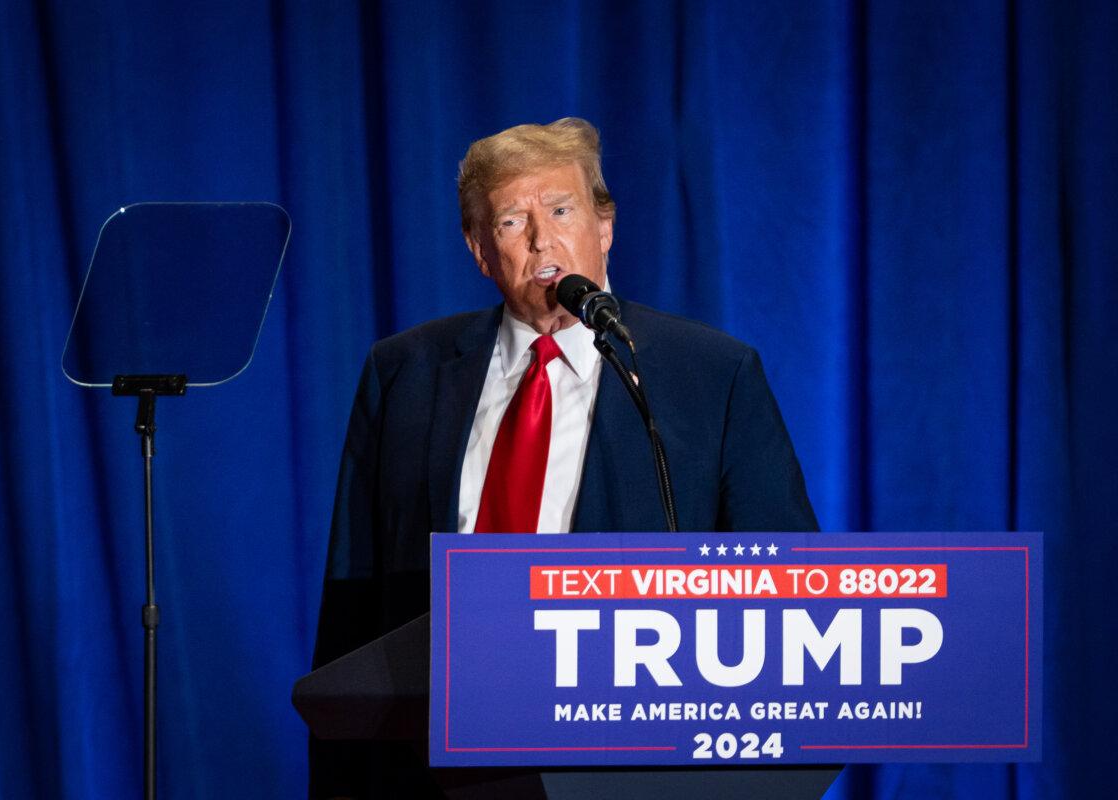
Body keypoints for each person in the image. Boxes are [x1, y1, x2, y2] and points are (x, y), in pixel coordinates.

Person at [308, 118, 816, 798]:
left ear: (605, 227)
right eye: (513, 220)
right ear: (480, 249)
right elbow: (354, 598)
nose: (543, 239)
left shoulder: (710, 376)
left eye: (561, 209)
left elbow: (783, 593)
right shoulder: (405, 373)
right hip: (432, 764)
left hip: (624, 770)